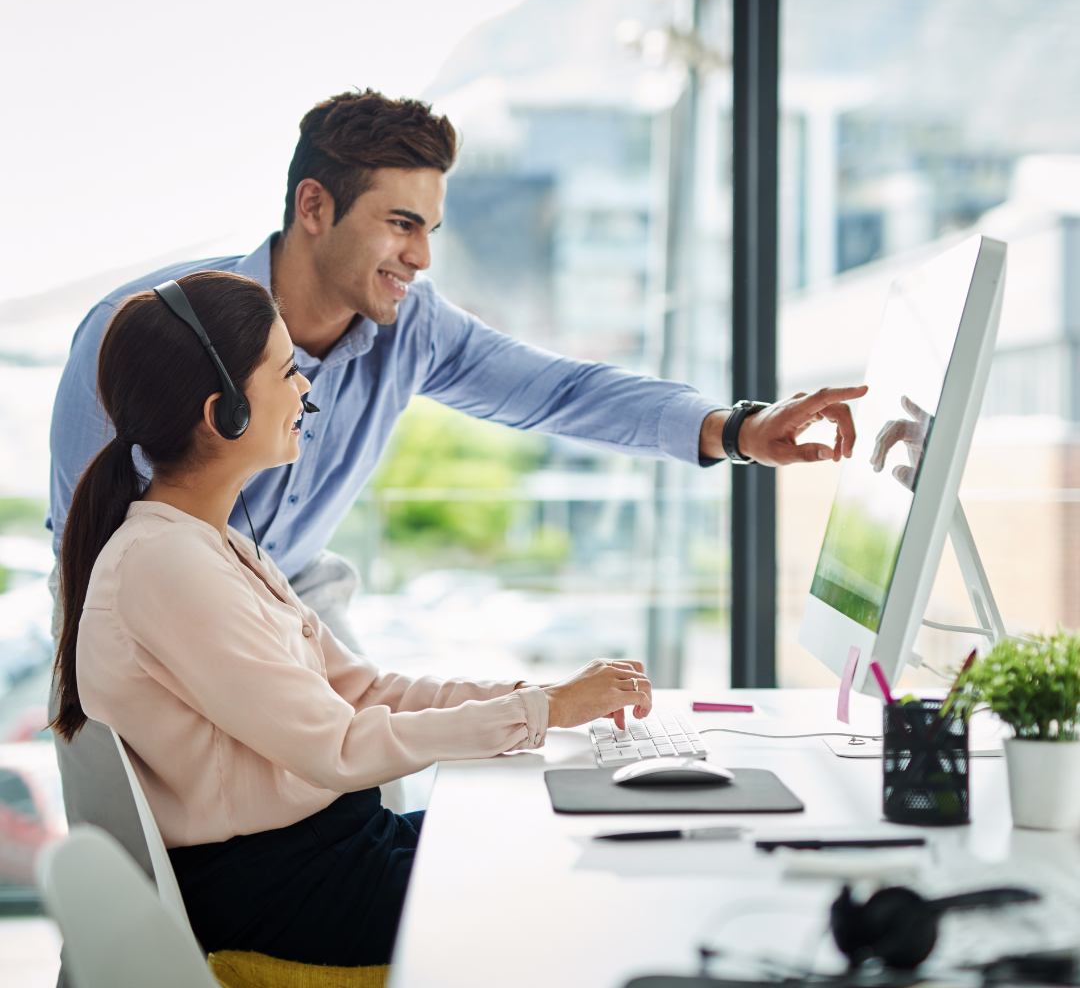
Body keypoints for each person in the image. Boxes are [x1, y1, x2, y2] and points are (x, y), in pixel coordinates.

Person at [48, 88, 867, 880]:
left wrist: (737, 430)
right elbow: (97, 555)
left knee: (390, 813)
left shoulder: (414, 326)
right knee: (146, 866)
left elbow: (560, 391)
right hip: (145, 603)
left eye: (431, 229)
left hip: (287, 592)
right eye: (401, 225)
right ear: (314, 206)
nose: (422, 256)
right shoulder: (149, 331)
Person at [52, 271, 654, 967]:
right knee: (560, 891)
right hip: (284, 889)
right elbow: (338, 747)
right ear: (226, 414)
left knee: (551, 834)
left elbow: (365, 692)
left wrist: (544, 702)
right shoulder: (165, 567)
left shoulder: (215, 546)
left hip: (334, 850)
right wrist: (538, 712)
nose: (306, 388)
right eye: (285, 372)